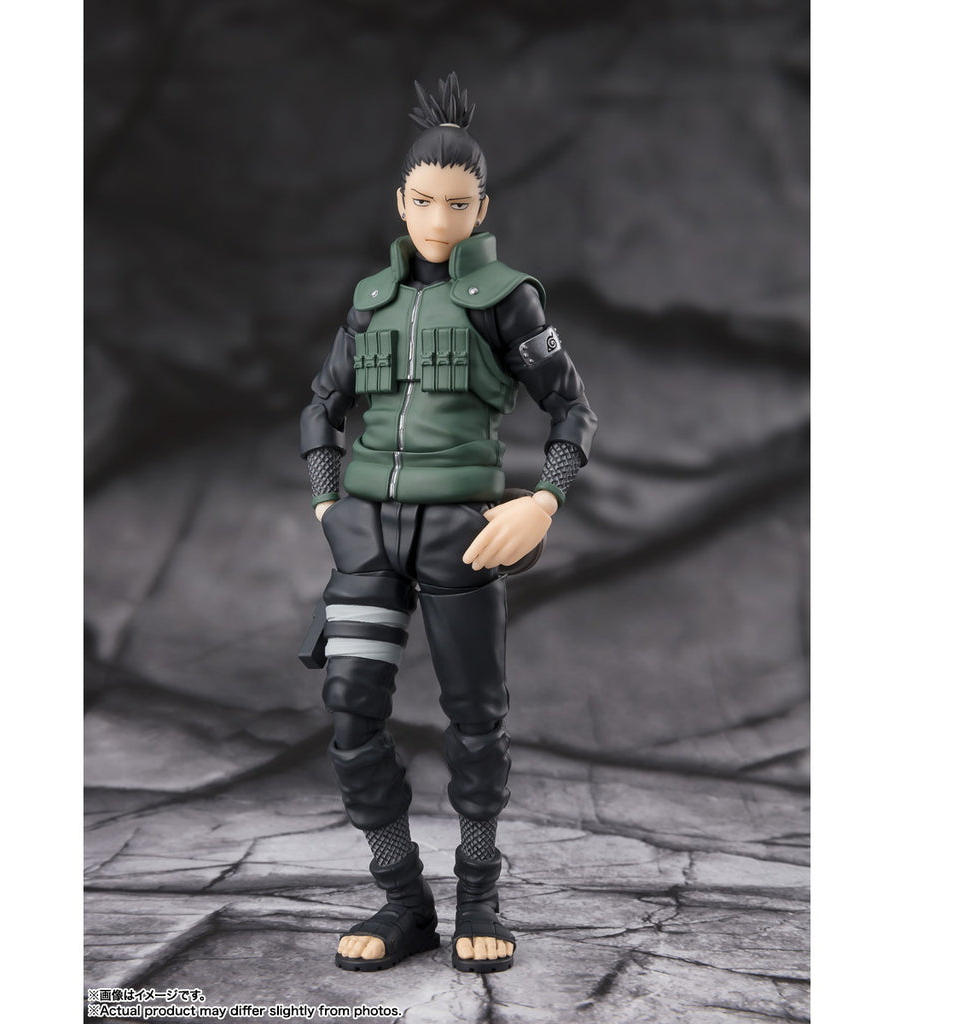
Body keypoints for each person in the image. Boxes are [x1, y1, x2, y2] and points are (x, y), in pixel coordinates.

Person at [299, 73, 597, 973]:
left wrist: (542, 499)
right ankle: (402, 899)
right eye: (424, 200)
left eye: (457, 203)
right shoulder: (369, 299)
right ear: (401, 201)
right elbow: (322, 405)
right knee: (351, 713)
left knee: (474, 718)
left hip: (461, 535)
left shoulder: (508, 297)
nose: (438, 218)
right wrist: (327, 502)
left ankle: (478, 893)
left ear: (482, 207)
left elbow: (572, 409)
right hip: (366, 537)